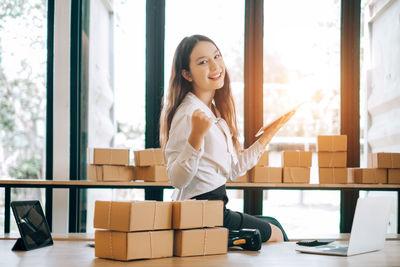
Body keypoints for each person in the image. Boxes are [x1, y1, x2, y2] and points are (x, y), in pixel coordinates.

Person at [160, 34, 288, 242]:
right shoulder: (188, 113)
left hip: (215, 209)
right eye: (203, 62)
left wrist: (267, 137)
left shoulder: (212, 112)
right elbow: (177, 179)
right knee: (276, 234)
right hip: (201, 214)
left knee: (273, 222)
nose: (215, 66)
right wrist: (195, 137)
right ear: (187, 74)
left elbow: (231, 170)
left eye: (217, 57)